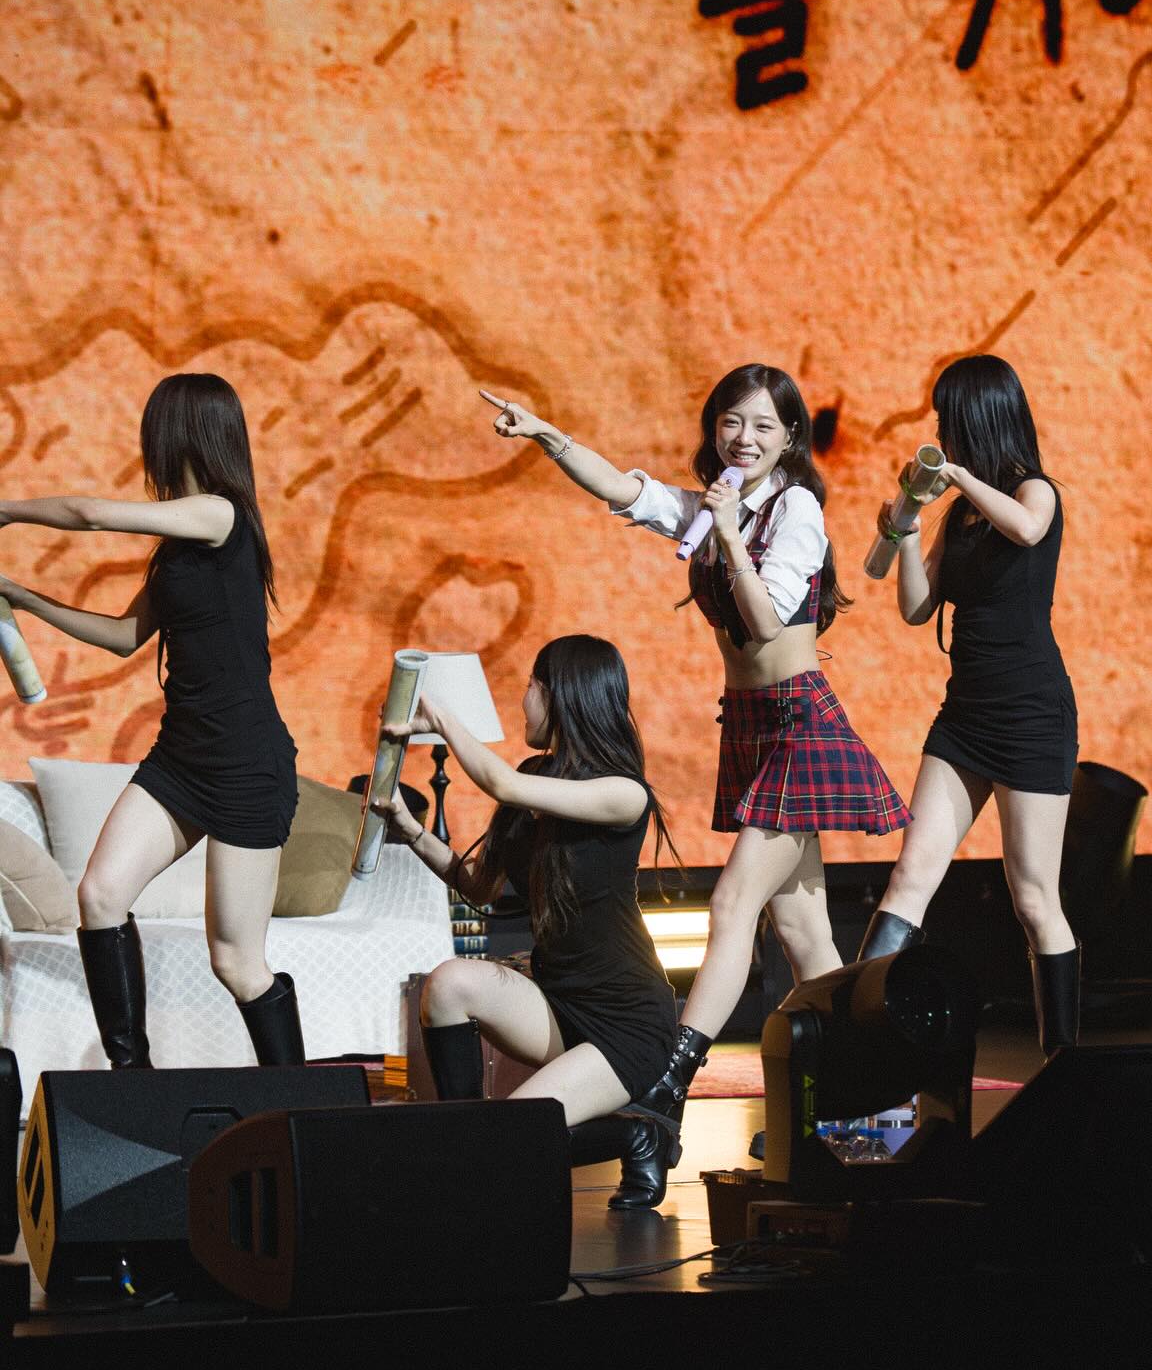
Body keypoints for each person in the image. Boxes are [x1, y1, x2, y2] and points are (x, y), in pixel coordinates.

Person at [485, 363, 909, 1204]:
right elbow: (624, 489)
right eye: (730, 423)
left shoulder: (795, 510)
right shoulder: (714, 504)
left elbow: (765, 619)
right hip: (750, 726)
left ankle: (666, 1086)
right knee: (809, 940)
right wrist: (547, 436)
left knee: (732, 905)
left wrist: (727, 528)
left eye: (762, 425)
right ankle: (873, 1114)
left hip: (799, 722)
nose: (742, 439)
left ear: (789, 437)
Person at [0, 373, 301, 1067]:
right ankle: (134, 1081)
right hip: (182, 759)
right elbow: (121, 637)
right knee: (101, 894)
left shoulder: (221, 515)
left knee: (236, 962)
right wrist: (22, 595)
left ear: (179, 433)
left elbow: (89, 514)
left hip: (246, 762)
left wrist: (7, 510)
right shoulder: (178, 551)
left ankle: (301, 1103)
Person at [373, 634, 684, 1205]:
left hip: (627, 1025)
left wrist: (441, 719)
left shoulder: (623, 793)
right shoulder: (532, 775)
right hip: (558, 1004)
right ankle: (464, 1142)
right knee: (449, 984)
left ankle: (639, 1134)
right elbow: (478, 885)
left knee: (512, 1136)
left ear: (559, 694)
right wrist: (409, 828)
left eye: (530, 685)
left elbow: (502, 783)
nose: (523, 700)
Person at [861, 354, 1080, 1054]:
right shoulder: (959, 517)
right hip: (965, 719)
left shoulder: (1034, 491)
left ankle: (1063, 1062)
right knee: (910, 876)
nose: (939, 433)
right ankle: (861, 1046)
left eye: (947, 420)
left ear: (979, 420)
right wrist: (908, 529)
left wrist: (956, 477)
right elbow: (916, 608)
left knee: (1034, 899)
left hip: (1031, 715)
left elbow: (1028, 529)